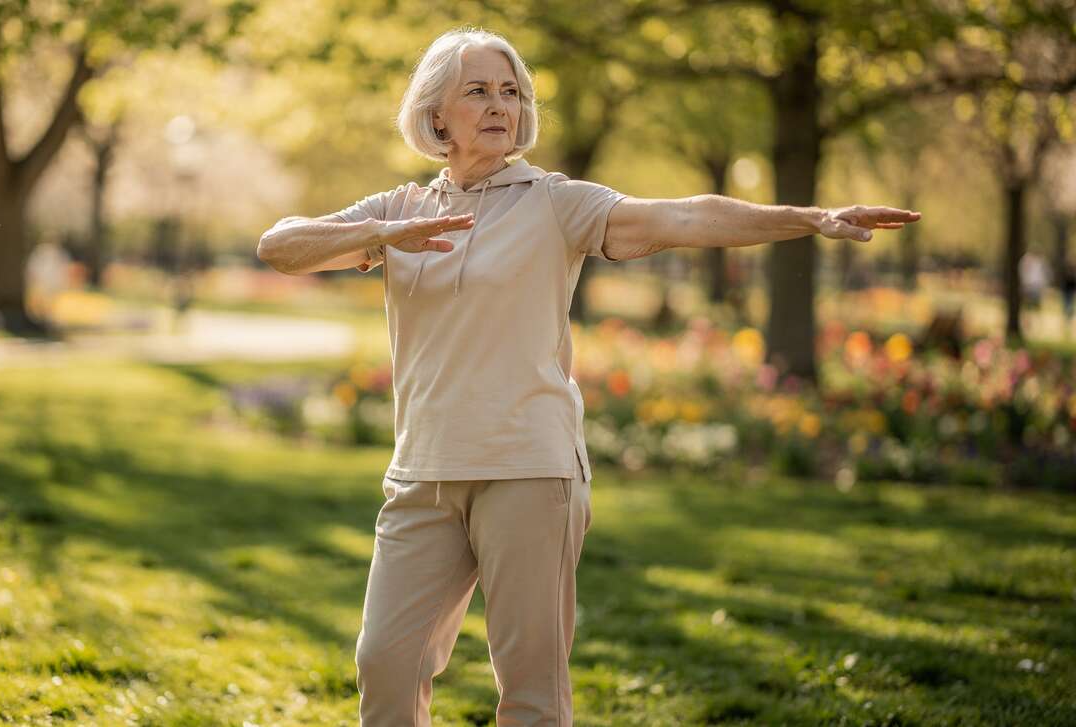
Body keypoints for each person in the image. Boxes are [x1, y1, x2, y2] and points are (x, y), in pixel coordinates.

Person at [256, 27, 920, 727]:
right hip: (422, 473)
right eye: (477, 90)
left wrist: (812, 218)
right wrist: (379, 238)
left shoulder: (554, 202)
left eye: (510, 92)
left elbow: (684, 215)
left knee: (531, 691)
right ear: (435, 113)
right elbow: (280, 245)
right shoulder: (397, 210)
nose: (498, 105)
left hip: (528, 469)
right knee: (384, 663)